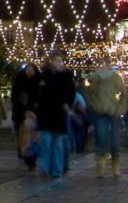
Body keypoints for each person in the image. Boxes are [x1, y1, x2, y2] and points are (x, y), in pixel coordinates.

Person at [36, 51, 76, 179]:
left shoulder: (65, 76)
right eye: (56, 60)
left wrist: (67, 104)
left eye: (60, 60)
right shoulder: (45, 75)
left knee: (58, 143)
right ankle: (45, 168)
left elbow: (71, 92)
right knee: (47, 141)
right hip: (47, 113)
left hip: (59, 113)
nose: (59, 63)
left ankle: (57, 170)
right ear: (51, 61)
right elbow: (41, 94)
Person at [87, 54, 128, 177]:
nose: (103, 65)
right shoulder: (96, 78)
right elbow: (90, 93)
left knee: (115, 140)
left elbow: (124, 94)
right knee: (101, 138)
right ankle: (101, 166)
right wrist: (94, 105)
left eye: (105, 62)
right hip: (100, 112)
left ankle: (115, 165)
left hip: (113, 112)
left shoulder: (115, 78)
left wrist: (119, 109)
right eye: (101, 63)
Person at [11, 63, 40, 161]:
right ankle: (22, 150)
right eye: (28, 69)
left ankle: (30, 152)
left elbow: (39, 96)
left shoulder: (38, 81)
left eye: (32, 69)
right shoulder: (20, 80)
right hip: (20, 111)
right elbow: (15, 96)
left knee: (33, 133)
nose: (30, 71)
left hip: (34, 111)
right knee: (20, 132)